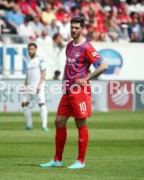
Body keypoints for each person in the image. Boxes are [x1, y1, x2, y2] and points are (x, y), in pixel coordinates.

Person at [40, 17, 108, 169]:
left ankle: (81, 161)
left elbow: (104, 66)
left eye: (77, 28)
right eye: (72, 27)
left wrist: (87, 78)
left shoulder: (87, 48)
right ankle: (58, 160)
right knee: (59, 122)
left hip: (79, 92)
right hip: (67, 91)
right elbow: (68, 68)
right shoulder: (70, 45)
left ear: (83, 29)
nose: (74, 30)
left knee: (80, 123)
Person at [22, 43, 49, 132]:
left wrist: (40, 85)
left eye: (32, 49)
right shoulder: (28, 60)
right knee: (24, 104)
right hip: (29, 87)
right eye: (29, 49)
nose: (30, 51)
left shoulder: (40, 60)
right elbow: (27, 75)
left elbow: (43, 72)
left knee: (41, 104)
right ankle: (29, 125)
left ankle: (44, 126)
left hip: (38, 87)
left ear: (36, 49)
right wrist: (25, 86)